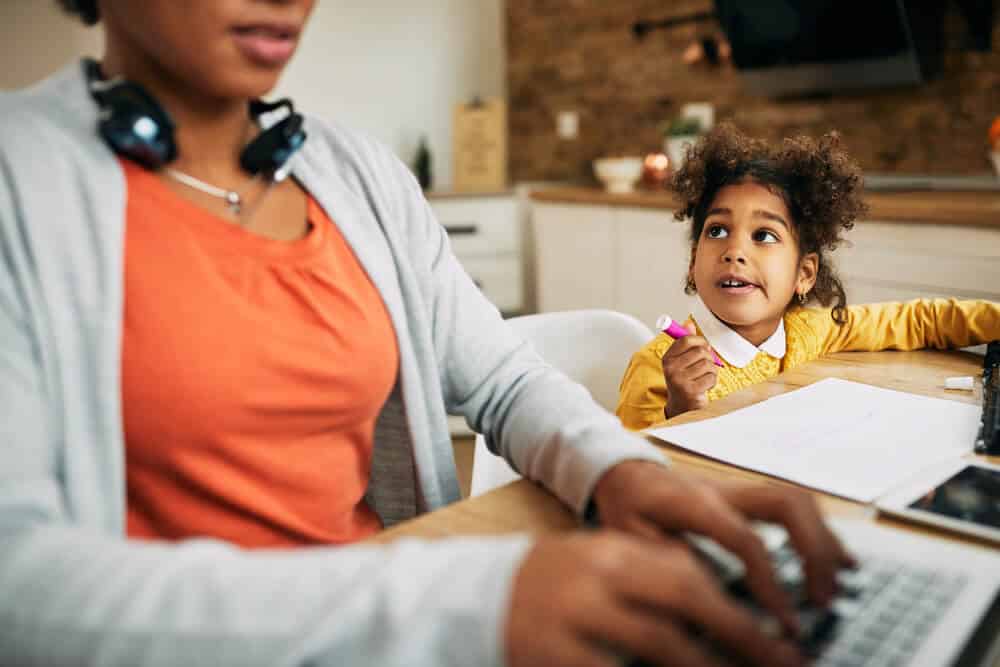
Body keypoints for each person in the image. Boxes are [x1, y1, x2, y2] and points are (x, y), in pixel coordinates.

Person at [0, 2, 853, 665]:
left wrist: (629, 471)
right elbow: (17, 581)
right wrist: (466, 605)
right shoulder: (18, 178)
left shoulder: (359, 175)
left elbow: (504, 380)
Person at [616, 124, 1000, 430]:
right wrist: (681, 409)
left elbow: (917, 321)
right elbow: (630, 477)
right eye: (716, 231)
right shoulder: (658, 370)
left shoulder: (809, 332)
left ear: (804, 274)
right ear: (693, 260)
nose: (734, 250)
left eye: (763, 236)